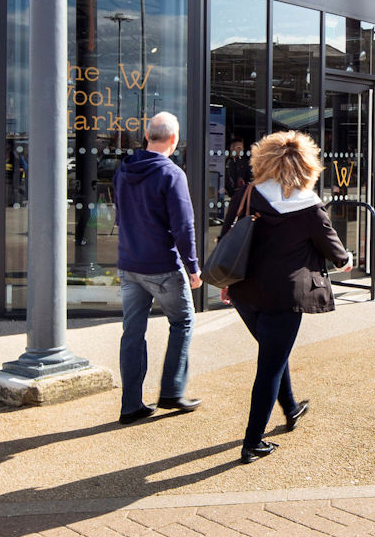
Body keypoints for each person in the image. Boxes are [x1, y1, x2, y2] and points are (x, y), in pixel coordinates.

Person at [220, 130, 352, 464]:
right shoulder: (309, 206)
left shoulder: (246, 194)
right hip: (285, 297)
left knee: (273, 354)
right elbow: (335, 250)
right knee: (270, 365)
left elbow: (226, 241)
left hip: (245, 292)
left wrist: (225, 283)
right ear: (307, 165)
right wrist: (346, 261)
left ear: (261, 160)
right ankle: (252, 442)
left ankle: (291, 408)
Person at [116, 112, 203, 425]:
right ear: (174, 140)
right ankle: (171, 390)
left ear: (147, 137)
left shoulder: (124, 169)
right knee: (182, 321)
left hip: (128, 263)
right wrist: (193, 268)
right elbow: (184, 226)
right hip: (161, 266)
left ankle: (130, 405)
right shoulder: (172, 174)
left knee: (133, 332)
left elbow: (120, 214)